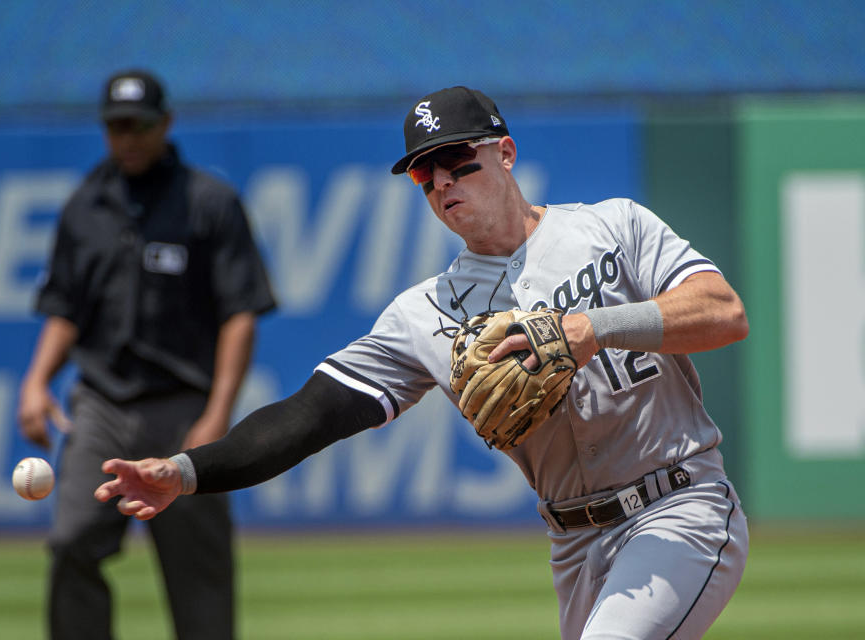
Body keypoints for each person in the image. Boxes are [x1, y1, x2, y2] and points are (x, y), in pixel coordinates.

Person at [94, 86, 749, 639]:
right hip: (575, 544)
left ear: (506, 154)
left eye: (457, 161)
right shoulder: (424, 313)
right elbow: (312, 414)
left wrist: (591, 328)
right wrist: (184, 471)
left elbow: (722, 311)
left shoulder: (612, 227)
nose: (440, 182)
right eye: (423, 173)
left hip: (679, 504)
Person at [17, 69, 276, 640]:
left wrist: (216, 414)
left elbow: (240, 313)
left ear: (166, 123)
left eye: (138, 125)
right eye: (115, 126)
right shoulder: (86, 206)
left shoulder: (209, 202)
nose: (126, 137)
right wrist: (36, 382)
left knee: (197, 574)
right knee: (71, 543)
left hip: (183, 409)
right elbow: (64, 308)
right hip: (101, 404)